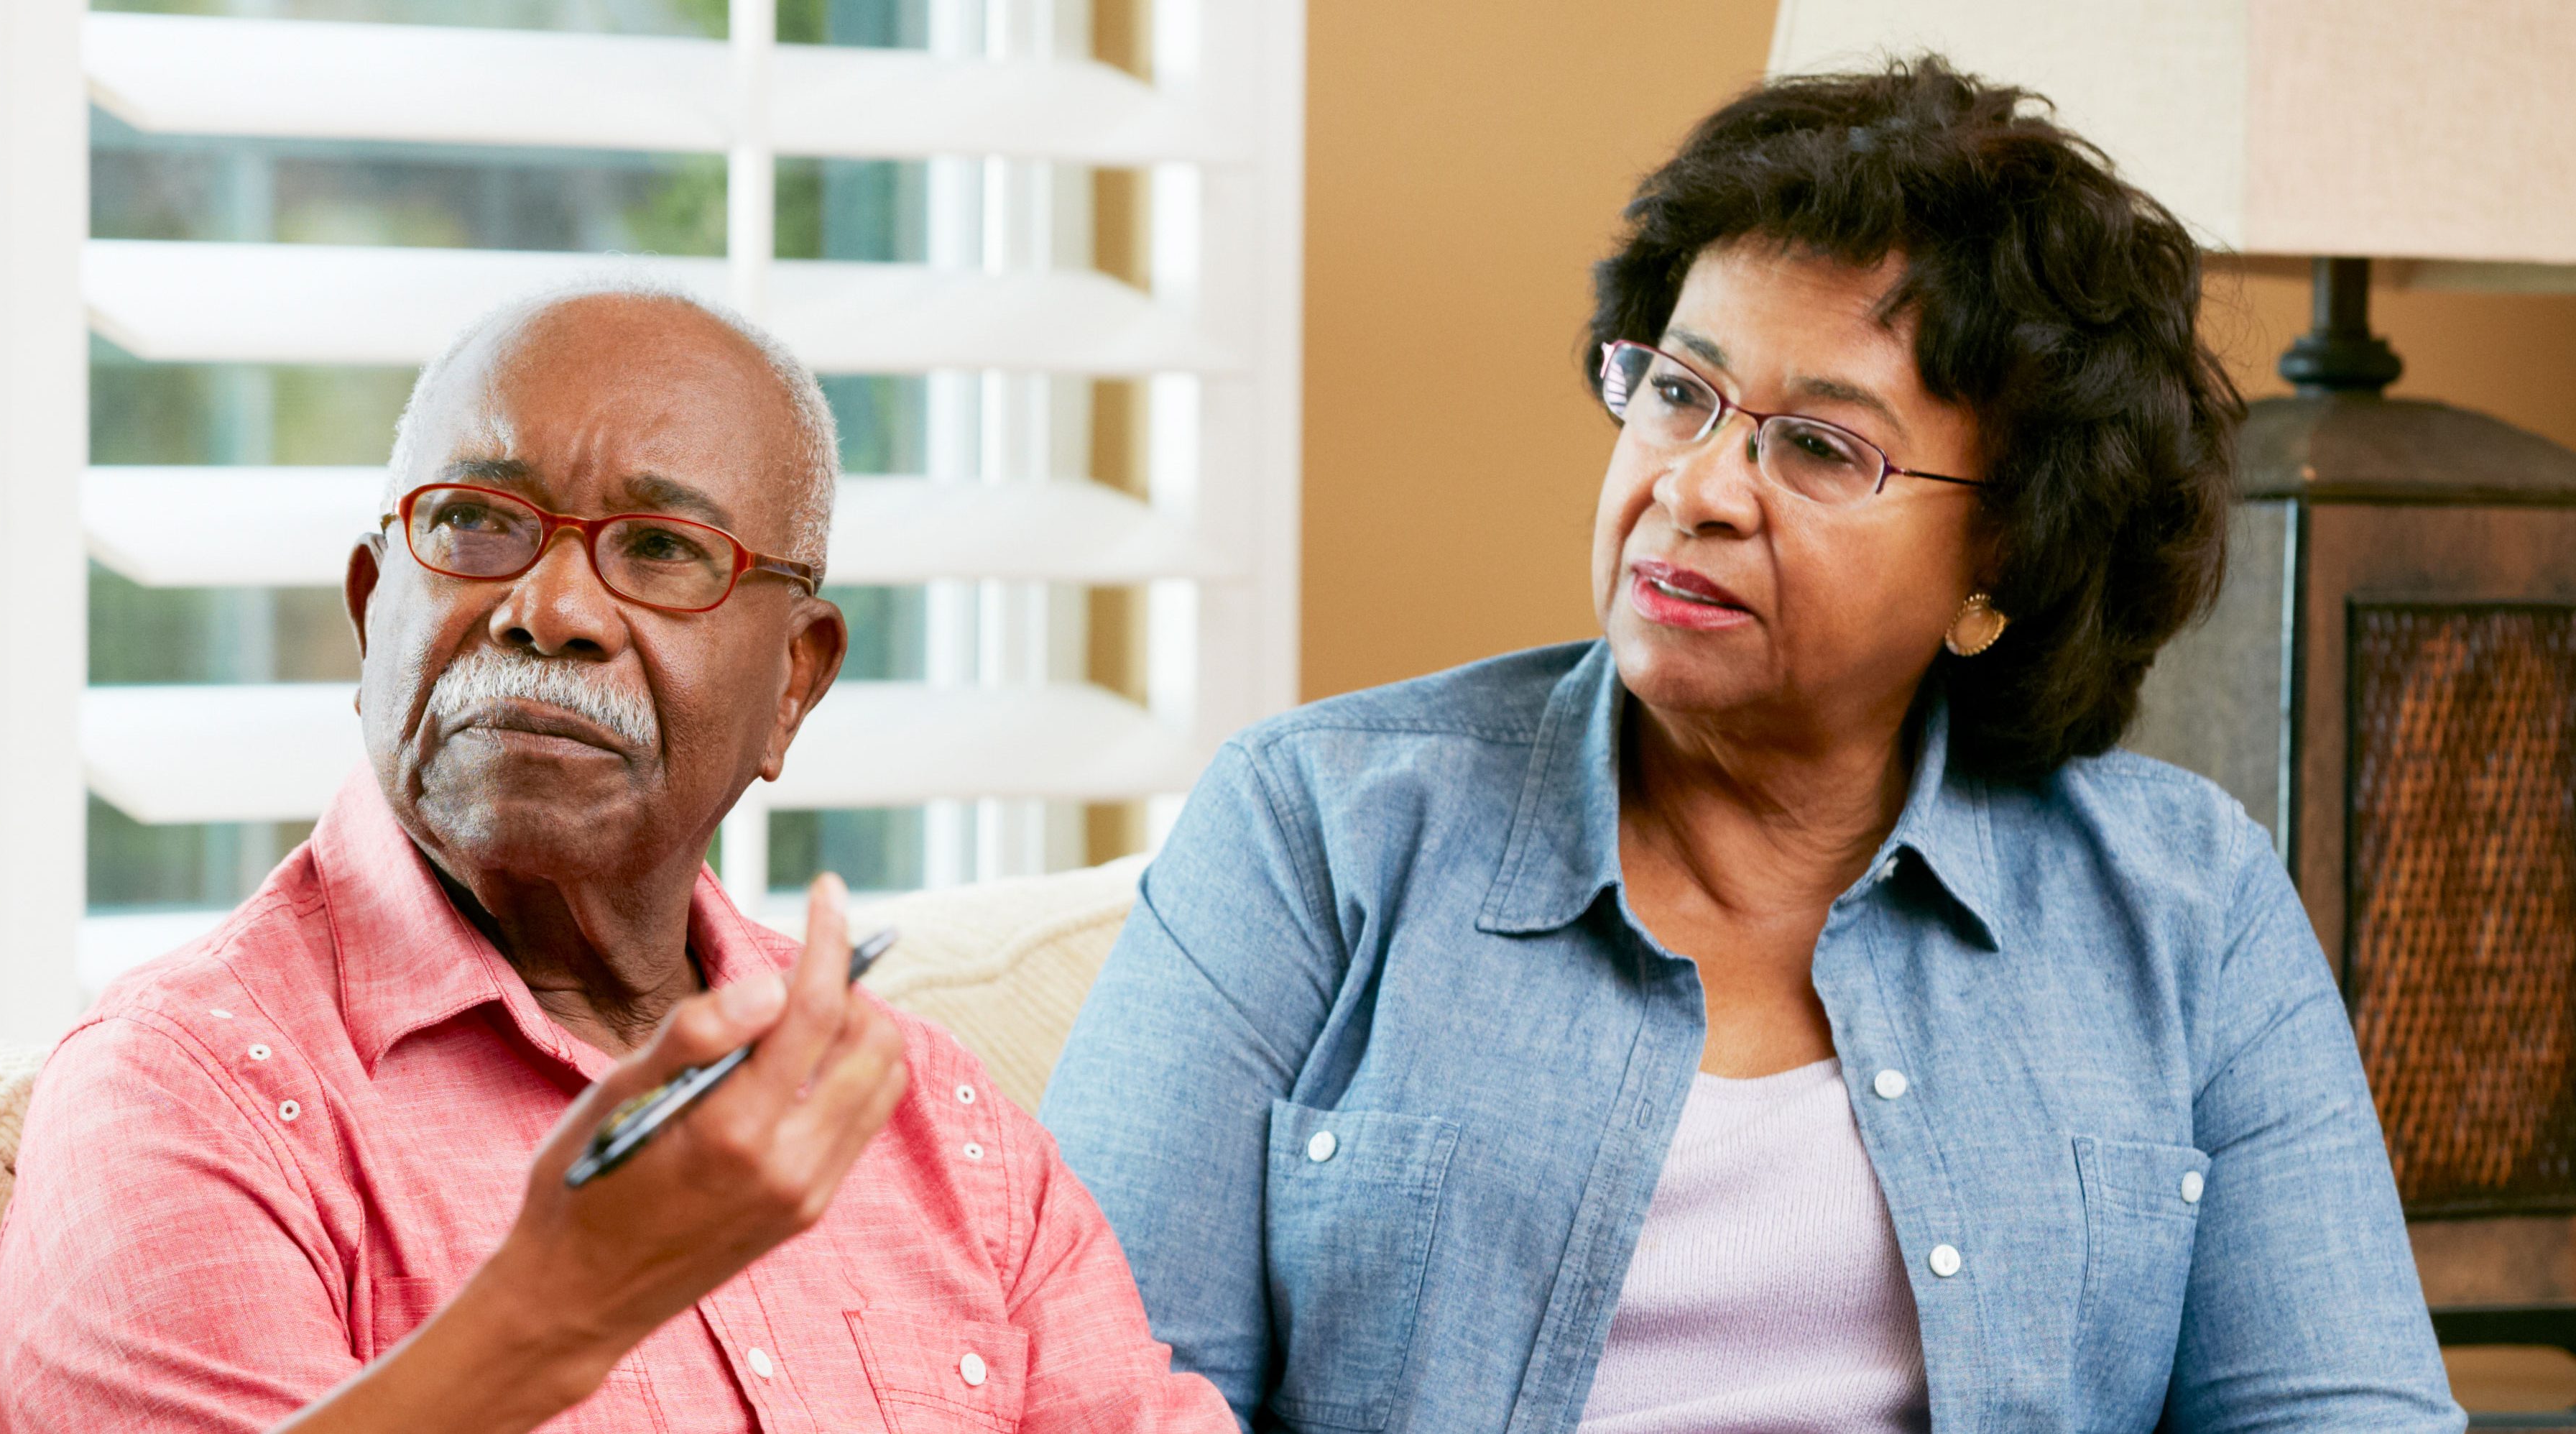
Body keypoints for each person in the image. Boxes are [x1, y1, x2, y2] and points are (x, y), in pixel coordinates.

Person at [1040, 58, 2460, 1432]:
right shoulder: (1314, 828)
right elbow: (1090, 1396)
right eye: (1678, 391)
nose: (1696, 488)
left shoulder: (2188, 907)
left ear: (2002, 567)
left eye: (1823, 448)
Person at [0, 285, 1232, 1434]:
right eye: (476, 522)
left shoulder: (941, 1122)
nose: (552, 609)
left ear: (794, 682)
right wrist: (552, 1311)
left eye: (661, 548)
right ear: (373, 615)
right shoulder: (190, 1096)